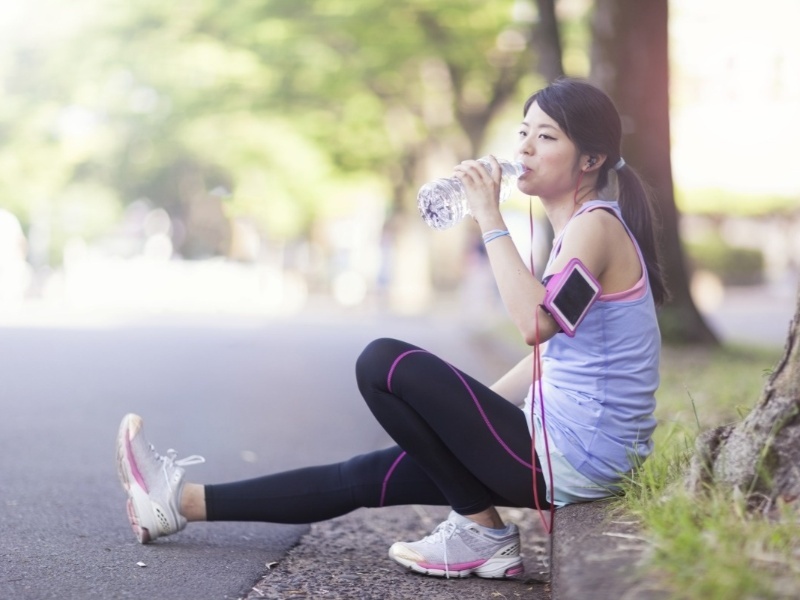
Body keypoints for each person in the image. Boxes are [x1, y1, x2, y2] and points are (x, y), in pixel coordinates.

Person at [116, 77, 667, 580]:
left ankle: (483, 532)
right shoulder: (584, 227)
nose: (523, 149)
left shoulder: (594, 227)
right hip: (569, 452)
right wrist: (462, 418)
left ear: (591, 158)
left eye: (546, 137)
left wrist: (489, 217)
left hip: (575, 458)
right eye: (523, 131)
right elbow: (554, 351)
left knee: (384, 362)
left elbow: (534, 324)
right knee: (368, 475)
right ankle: (175, 502)